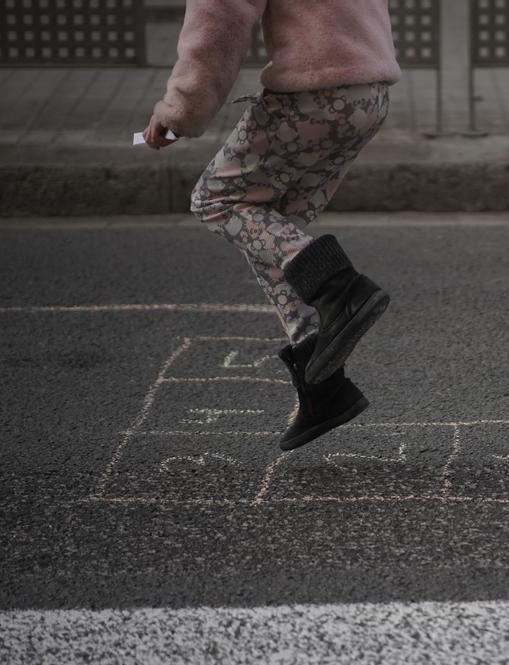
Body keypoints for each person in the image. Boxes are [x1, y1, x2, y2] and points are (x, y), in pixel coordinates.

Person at [141, 0, 401, 448]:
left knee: (216, 198)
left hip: (315, 94)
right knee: (270, 225)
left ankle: (340, 287)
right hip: (369, 92)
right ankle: (321, 376)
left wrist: (180, 109)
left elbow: (219, 19)